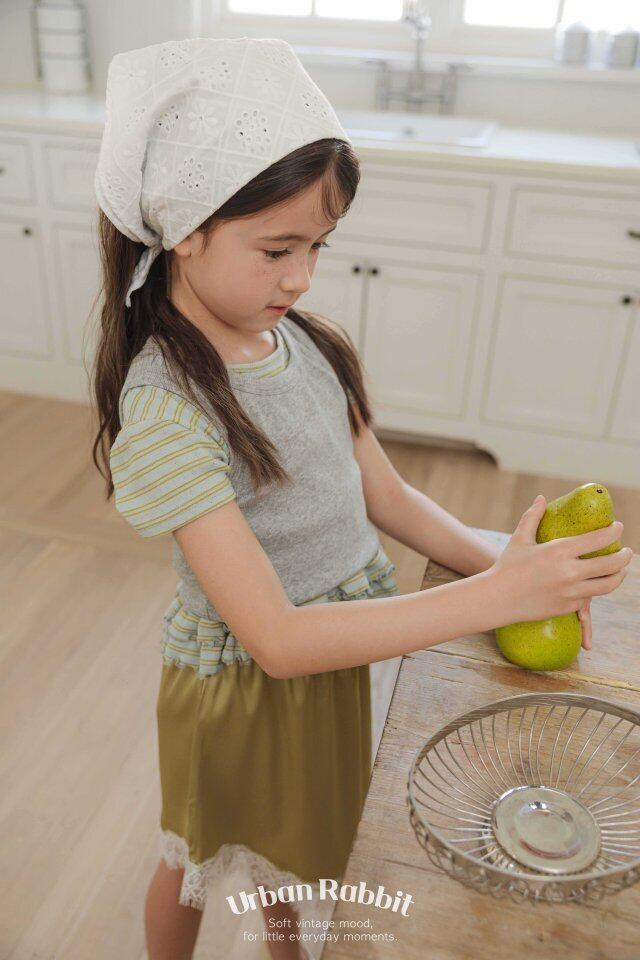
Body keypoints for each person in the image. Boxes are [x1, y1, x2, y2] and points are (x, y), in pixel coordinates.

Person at [90, 36, 631, 960]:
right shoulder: (168, 409)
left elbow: (391, 497)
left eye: (316, 246)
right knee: (195, 860)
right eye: (277, 249)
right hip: (243, 693)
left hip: (338, 662)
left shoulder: (307, 342)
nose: (301, 276)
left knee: (297, 855)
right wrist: (494, 596)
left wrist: (517, 569)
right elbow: (276, 638)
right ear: (185, 228)